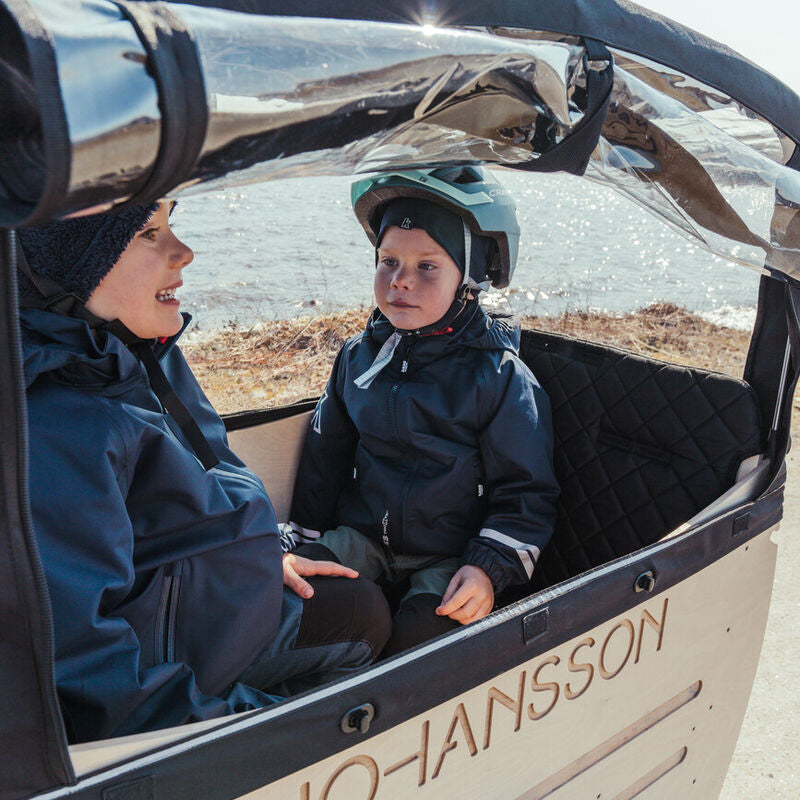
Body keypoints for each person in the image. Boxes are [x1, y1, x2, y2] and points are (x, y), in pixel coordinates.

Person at [17, 201, 391, 744]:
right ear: (67, 263)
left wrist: (260, 555)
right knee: (360, 626)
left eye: (173, 224)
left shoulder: (134, 353)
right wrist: (253, 727)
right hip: (157, 677)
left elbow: (201, 490)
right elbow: (87, 677)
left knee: (360, 603)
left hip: (196, 601)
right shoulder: (57, 422)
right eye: (147, 232)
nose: (184, 252)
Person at [289, 167, 559, 656]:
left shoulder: (497, 375)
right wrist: (304, 537)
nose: (400, 281)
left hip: (450, 554)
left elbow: (526, 490)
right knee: (301, 601)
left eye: (427, 266)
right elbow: (325, 455)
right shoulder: (358, 357)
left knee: (420, 646)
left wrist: (487, 567)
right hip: (362, 536)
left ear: (468, 280)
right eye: (388, 261)